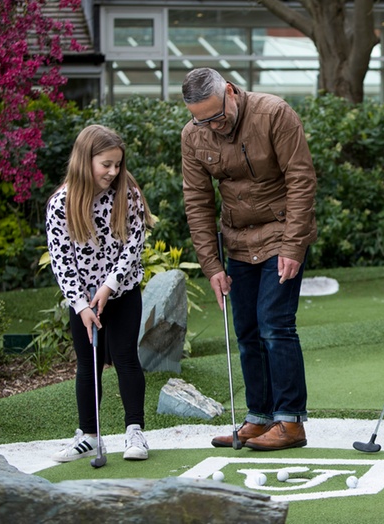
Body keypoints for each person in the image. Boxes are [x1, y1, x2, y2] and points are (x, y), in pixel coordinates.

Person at [180, 67, 317, 451]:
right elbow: (197, 201)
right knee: (247, 331)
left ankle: (290, 422)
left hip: (281, 232)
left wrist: (293, 246)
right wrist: (211, 266)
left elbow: (301, 179)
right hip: (236, 240)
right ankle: (259, 418)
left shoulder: (274, 113)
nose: (213, 126)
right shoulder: (193, 135)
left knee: (274, 323)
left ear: (230, 91)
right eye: (202, 119)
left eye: (217, 115)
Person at [46, 124, 154, 462]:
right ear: (85, 160)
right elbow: (62, 262)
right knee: (87, 364)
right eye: (105, 164)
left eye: (117, 164)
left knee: (124, 358)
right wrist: (82, 305)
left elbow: (133, 246)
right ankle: (89, 435)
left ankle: (135, 431)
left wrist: (109, 287)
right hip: (82, 300)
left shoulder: (127, 194)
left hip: (122, 293)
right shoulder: (61, 203)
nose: (113, 171)